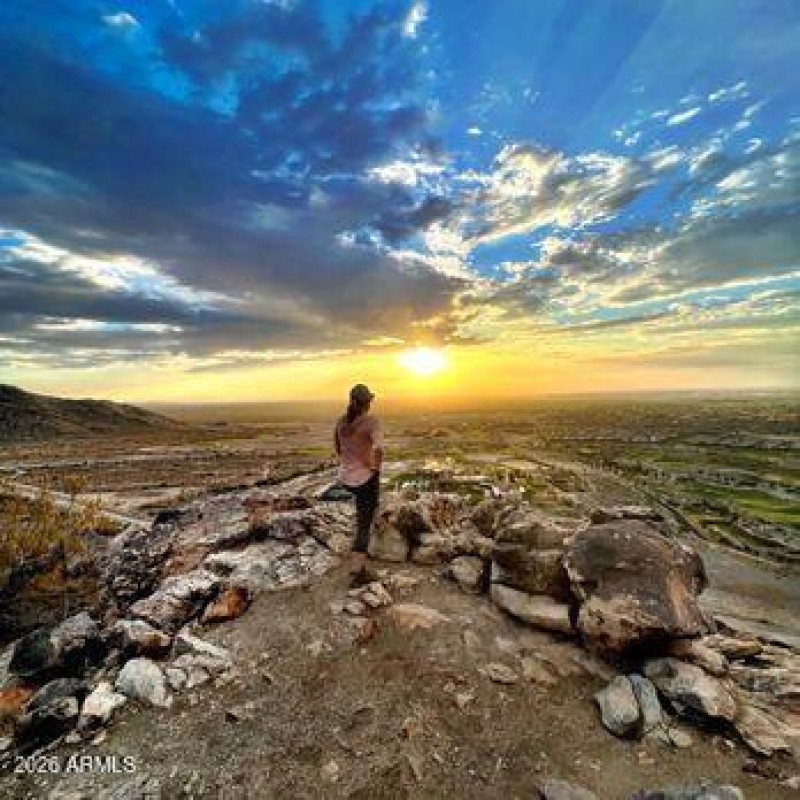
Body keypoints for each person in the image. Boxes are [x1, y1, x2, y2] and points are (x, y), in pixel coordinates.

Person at [334, 383, 383, 587]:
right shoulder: (371, 422)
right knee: (364, 524)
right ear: (367, 403)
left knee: (360, 518)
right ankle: (358, 571)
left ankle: (357, 557)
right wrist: (374, 468)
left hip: (345, 478)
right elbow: (379, 448)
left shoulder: (341, 422)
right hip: (364, 479)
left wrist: (350, 463)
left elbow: (337, 448)